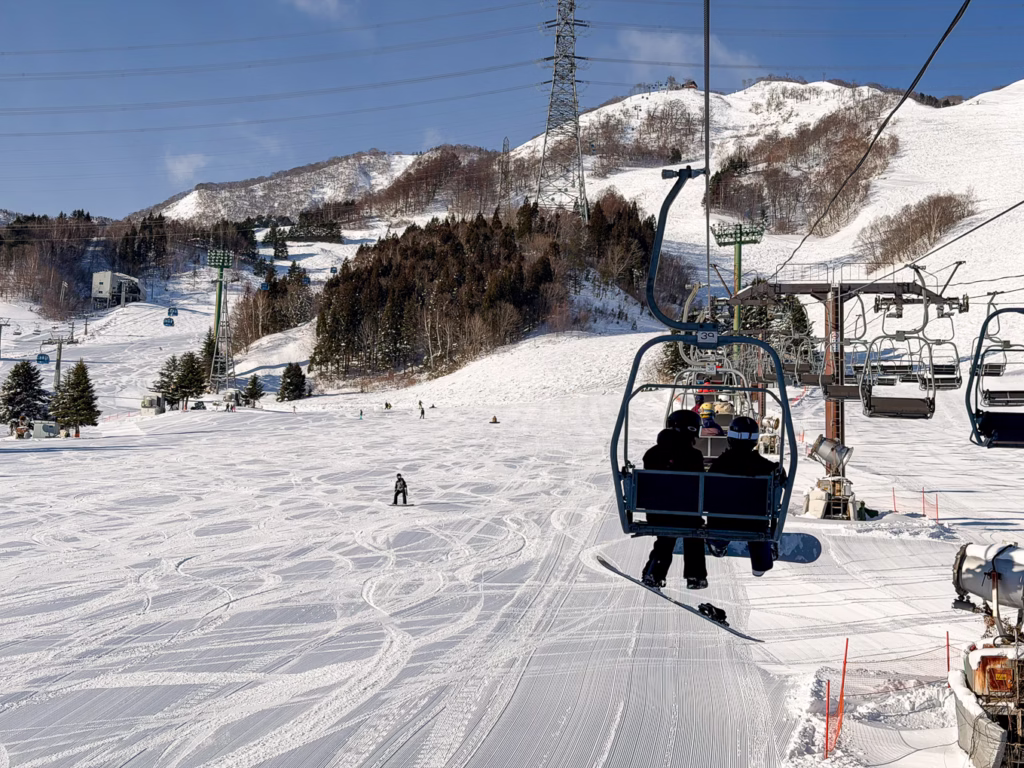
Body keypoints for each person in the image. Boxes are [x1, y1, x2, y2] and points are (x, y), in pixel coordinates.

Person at [640, 409, 708, 590]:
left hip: (657, 513)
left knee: (667, 533)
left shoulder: (651, 454)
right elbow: (699, 487)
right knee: (693, 529)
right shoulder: (694, 456)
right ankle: (695, 576)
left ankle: (654, 572)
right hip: (687, 515)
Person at [707, 415, 782, 577]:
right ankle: (760, 564)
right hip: (754, 523)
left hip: (721, 522)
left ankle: (718, 544)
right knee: (757, 524)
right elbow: (780, 475)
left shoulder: (720, 465)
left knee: (722, 519)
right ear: (755, 440)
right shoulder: (765, 466)